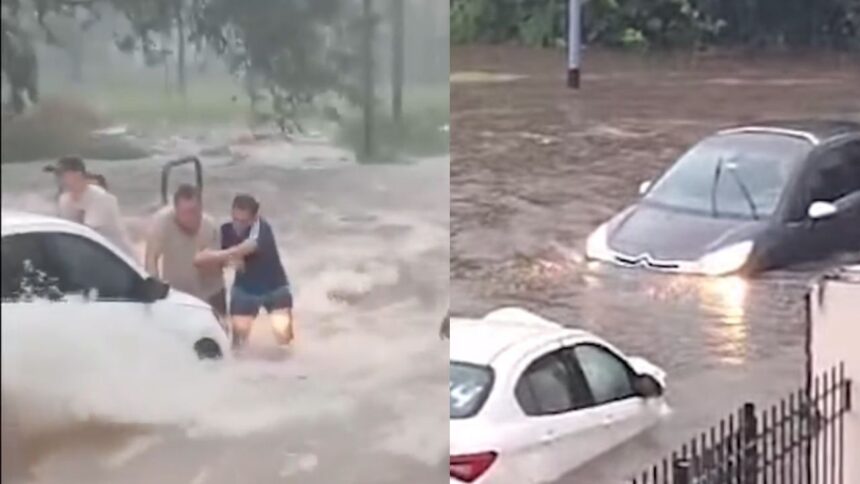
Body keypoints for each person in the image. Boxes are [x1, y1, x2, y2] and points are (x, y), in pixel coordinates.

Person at [198, 195, 294, 349]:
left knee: (284, 343)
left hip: (275, 289)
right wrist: (225, 260)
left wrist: (214, 257)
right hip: (245, 290)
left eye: (243, 221)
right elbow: (219, 260)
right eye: (235, 219)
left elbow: (246, 248)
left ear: (255, 217)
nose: (238, 225)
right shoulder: (226, 230)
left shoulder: (263, 229)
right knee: (239, 347)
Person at [145, 184, 228, 317]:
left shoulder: (210, 226)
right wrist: (156, 289)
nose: (192, 218)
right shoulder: (162, 223)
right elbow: (151, 260)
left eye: (195, 212)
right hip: (177, 293)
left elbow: (216, 270)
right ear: (175, 211)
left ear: (201, 208)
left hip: (210, 292)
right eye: (186, 213)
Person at [51, 156, 134, 256]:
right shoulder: (64, 199)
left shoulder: (100, 198)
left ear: (77, 174)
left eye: (62, 175)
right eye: (57, 175)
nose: (59, 179)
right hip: (89, 253)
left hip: (117, 256)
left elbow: (87, 233)